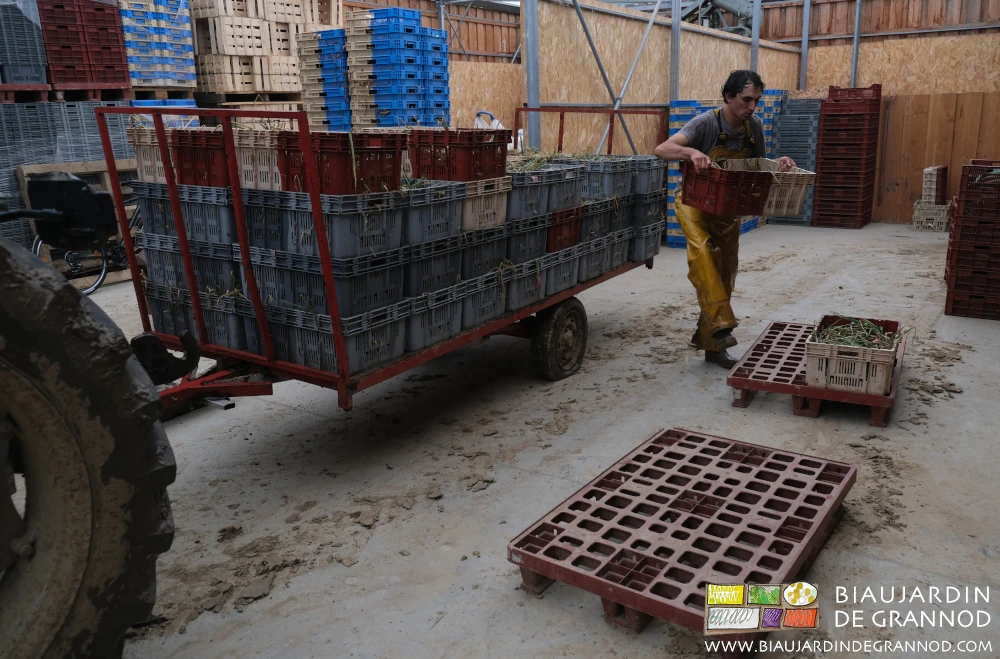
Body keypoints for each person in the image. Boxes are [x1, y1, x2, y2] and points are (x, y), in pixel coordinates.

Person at [653, 70, 795, 369]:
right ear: (729, 97)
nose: (752, 107)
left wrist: (778, 164)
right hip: (693, 203)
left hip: (727, 209)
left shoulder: (754, 127)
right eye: (746, 99)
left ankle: (714, 347)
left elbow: (758, 167)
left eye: (756, 100)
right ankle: (721, 325)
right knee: (703, 255)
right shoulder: (706, 122)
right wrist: (691, 152)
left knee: (726, 272)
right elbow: (662, 149)